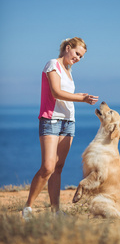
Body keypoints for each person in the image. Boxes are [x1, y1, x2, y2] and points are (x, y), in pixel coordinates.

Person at [22, 37, 98, 220]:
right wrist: (81, 99)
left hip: (68, 121)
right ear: (68, 48)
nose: (78, 58)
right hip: (51, 120)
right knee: (48, 167)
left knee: (58, 168)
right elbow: (56, 92)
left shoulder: (68, 71)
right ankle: (28, 208)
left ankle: (56, 212)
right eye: (77, 53)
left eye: (81, 57)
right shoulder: (52, 64)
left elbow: (66, 96)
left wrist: (77, 96)